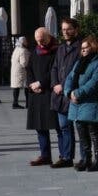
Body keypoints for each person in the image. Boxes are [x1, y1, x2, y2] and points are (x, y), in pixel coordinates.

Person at [65, 35, 98, 172]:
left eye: (86, 47)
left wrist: (77, 93)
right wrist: (68, 92)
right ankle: (86, 159)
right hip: (76, 103)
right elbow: (70, 77)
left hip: (90, 102)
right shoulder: (80, 62)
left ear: (94, 47)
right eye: (82, 48)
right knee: (82, 133)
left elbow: (94, 83)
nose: (82, 50)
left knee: (93, 132)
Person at [49, 18, 82, 168]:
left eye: (68, 29)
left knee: (81, 127)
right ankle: (66, 156)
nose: (65, 32)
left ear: (76, 30)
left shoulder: (81, 47)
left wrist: (64, 85)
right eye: (63, 30)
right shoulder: (61, 48)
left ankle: (84, 157)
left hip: (73, 92)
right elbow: (55, 67)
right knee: (63, 127)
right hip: (59, 94)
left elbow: (79, 71)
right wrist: (55, 83)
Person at [25, 28, 58, 166]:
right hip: (36, 94)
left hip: (49, 92)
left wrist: (41, 83)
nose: (40, 43)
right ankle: (45, 155)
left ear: (48, 37)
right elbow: (29, 69)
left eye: (42, 40)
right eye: (38, 41)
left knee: (58, 126)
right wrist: (32, 84)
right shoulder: (35, 51)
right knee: (39, 126)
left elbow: (54, 71)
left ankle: (64, 155)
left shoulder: (56, 51)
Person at [10, 35, 31, 109]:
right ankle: (28, 103)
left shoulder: (16, 49)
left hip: (15, 71)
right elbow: (24, 63)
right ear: (23, 42)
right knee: (27, 87)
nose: (27, 43)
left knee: (16, 87)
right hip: (21, 72)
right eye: (26, 41)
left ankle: (15, 103)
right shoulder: (23, 50)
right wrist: (30, 69)